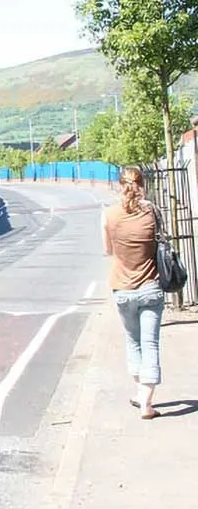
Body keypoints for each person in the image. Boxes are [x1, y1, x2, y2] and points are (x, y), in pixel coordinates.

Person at [101, 166, 165, 419]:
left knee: (133, 342)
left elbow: (107, 250)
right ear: (143, 184)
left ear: (120, 185)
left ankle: (140, 393)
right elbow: (160, 242)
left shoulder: (109, 215)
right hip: (150, 286)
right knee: (150, 344)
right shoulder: (152, 212)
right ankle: (147, 403)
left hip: (122, 288)